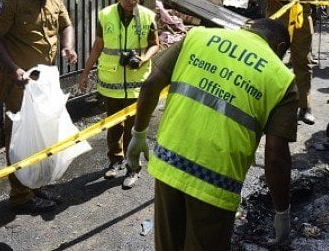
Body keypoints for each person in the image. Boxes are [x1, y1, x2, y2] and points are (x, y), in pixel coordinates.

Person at [126, 18, 298, 250]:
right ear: (279, 49)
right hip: (217, 181)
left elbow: (150, 85)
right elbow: (276, 155)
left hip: (170, 163)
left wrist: (138, 134)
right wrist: (282, 211)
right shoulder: (283, 79)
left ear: (250, 29)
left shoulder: (197, 36)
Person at [0, 0, 78, 213]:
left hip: (44, 83)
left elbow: (66, 25)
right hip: (19, 84)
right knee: (18, 139)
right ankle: (20, 196)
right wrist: (13, 69)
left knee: (40, 138)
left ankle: (35, 185)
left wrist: (68, 46)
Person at [78, 0, 159, 189]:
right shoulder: (104, 16)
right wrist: (85, 73)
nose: (132, 1)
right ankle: (115, 162)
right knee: (113, 126)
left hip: (136, 83)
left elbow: (154, 45)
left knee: (135, 129)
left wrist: (143, 59)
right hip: (110, 82)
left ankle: (133, 168)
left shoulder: (148, 17)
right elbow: (97, 46)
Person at [251, 0, 323, 125]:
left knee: (303, 61)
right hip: (276, 17)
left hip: (301, 15)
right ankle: (268, 102)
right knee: (271, 60)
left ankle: (305, 105)